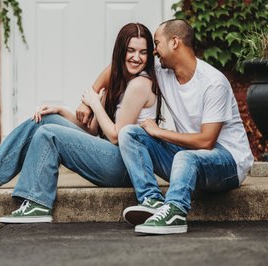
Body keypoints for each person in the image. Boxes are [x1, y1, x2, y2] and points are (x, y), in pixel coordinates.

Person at [0, 22, 162, 223]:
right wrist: (61, 111)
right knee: (45, 119)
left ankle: (38, 203)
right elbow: (93, 130)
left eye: (143, 52)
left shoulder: (140, 85)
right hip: (111, 158)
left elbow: (116, 136)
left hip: (126, 167)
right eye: (131, 51)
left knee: (50, 134)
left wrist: (95, 104)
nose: (136, 57)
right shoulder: (120, 82)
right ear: (121, 52)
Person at [76, 19, 253, 234]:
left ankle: (176, 212)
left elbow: (207, 141)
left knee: (186, 157)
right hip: (188, 156)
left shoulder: (213, 82)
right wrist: (89, 99)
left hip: (227, 163)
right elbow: (118, 65)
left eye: (157, 44)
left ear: (175, 42)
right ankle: (152, 201)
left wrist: (160, 132)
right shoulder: (163, 71)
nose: (153, 52)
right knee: (130, 133)